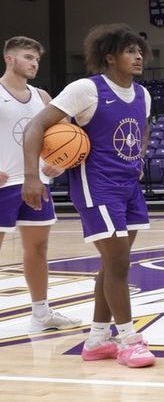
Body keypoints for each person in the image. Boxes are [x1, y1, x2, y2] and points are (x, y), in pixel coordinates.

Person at [21, 25, 155, 368]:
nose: (138, 56)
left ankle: (96, 340)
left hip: (129, 186)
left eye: (139, 50)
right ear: (109, 57)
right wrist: (33, 176)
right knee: (119, 263)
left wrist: (139, 159)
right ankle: (129, 340)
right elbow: (36, 126)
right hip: (97, 186)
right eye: (129, 51)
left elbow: (142, 130)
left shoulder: (142, 94)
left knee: (112, 264)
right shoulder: (86, 89)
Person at [0, 36, 78, 335]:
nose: (34, 63)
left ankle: (41, 314)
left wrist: (61, 161)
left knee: (38, 249)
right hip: (3, 183)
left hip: (36, 182)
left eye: (36, 59)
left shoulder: (43, 97)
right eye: (28, 57)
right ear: (10, 59)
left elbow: (66, 133)